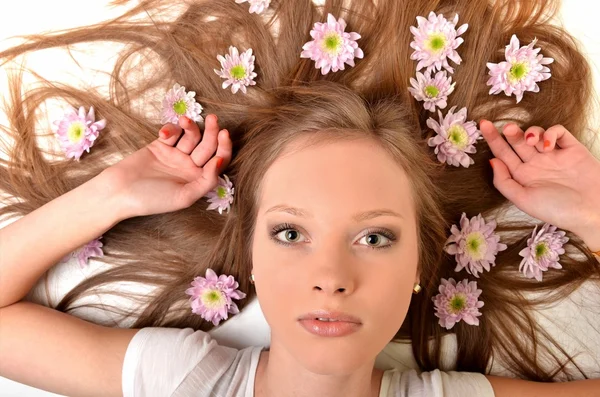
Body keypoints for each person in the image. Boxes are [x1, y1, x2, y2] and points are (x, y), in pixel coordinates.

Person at [0, 0, 599, 396]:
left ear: (421, 263)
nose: (331, 278)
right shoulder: (185, 380)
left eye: (374, 237)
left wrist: (591, 211)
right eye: (290, 233)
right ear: (251, 259)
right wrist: (113, 193)